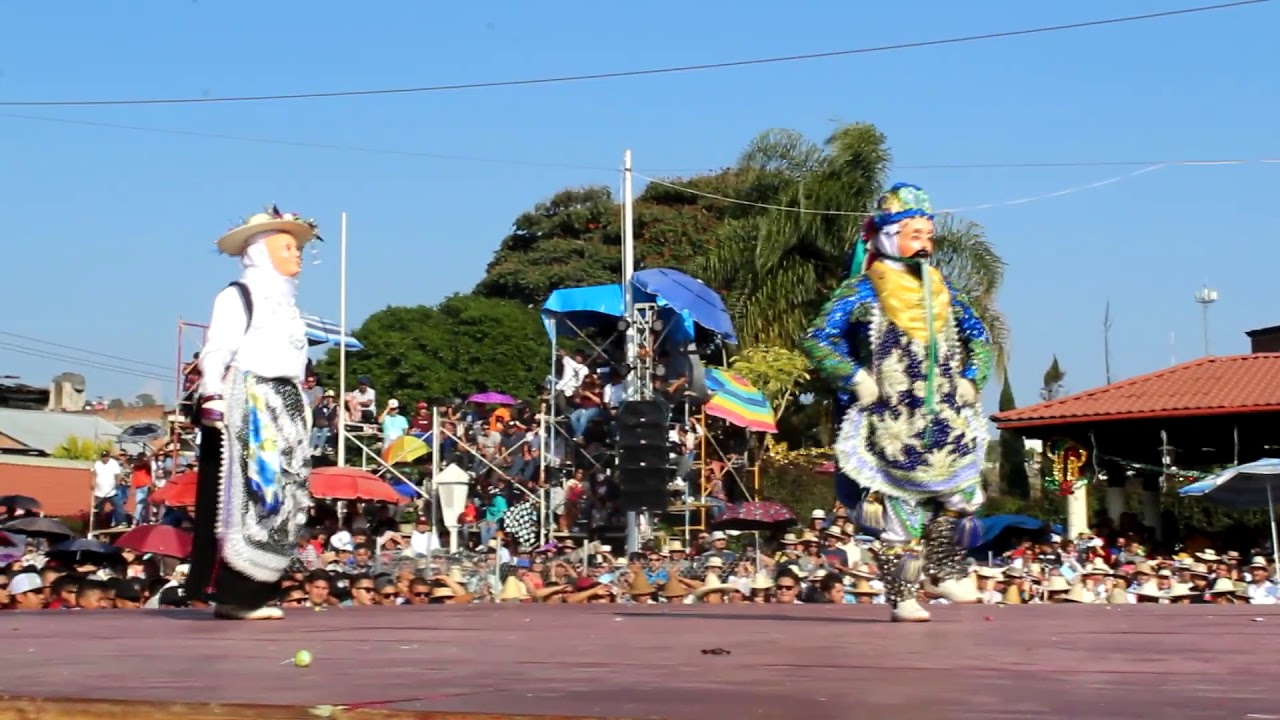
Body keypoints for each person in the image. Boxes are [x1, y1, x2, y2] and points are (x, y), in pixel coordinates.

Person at [802, 183, 993, 623]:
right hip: (891, 419)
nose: (924, 245)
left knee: (959, 497)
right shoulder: (863, 290)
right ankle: (903, 594)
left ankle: (943, 570)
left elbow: (979, 338)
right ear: (888, 236)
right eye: (914, 234)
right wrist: (855, 377)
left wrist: (971, 378)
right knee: (899, 512)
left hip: (946, 417)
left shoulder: (944, 291)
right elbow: (818, 338)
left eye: (929, 236)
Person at [186, 205, 320, 621]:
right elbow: (219, 347)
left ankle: (255, 592)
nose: (297, 254)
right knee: (249, 498)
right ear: (262, 250)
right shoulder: (237, 294)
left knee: (280, 502)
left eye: (297, 247)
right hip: (253, 402)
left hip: (285, 403)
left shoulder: (288, 305)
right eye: (287, 246)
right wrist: (211, 392)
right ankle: (235, 593)